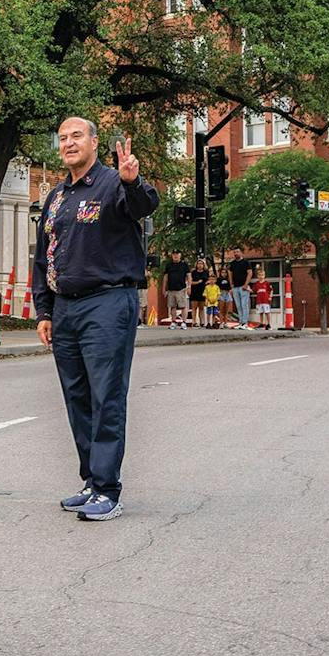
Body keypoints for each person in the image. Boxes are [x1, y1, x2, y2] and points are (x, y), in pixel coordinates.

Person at [32, 119, 159, 523]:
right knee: (78, 398)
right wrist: (45, 310)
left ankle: (108, 489)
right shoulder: (57, 196)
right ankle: (90, 480)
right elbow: (44, 256)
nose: (69, 143)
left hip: (107, 303)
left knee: (106, 396)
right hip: (66, 308)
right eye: (63, 138)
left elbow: (143, 206)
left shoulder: (113, 184)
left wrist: (132, 182)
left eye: (77, 136)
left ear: (95, 142)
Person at [160, 252, 190, 328]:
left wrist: (189, 287)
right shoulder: (169, 265)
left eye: (177, 254)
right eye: (174, 254)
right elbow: (165, 277)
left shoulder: (184, 265)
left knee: (183, 306)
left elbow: (189, 276)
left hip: (181, 288)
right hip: (171, 289)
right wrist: (164, 288)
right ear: (172, 256)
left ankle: (184, 322)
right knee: (172, 306)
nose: (175, 256)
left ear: (180, 255)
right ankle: (173, 322)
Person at [228, 257, 255, 328]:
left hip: (243, 287)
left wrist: (246, 284)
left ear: (240, 252)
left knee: (244, 305)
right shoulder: (232, 263)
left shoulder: (246, 262)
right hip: (235, 287)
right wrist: (231, 284)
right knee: (238, 306)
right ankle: (240, 322)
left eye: (237, 251)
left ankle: (245, 323)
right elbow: (230, 273)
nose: (236, 253)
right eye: (234, 252)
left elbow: (250, 273)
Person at [187, 258, 209, 329]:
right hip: (194, 291)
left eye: (201, 264)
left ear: (203, 265)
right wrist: (197, 282)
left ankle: (202, 322)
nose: (200, 265)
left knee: (201, 307)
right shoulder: (193, 272)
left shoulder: (206, 272)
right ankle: (194, 321)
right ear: (196, 265)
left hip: (203, 291)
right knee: (194, 307)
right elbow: (190, 282)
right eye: (198, 264)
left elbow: (209, 280)